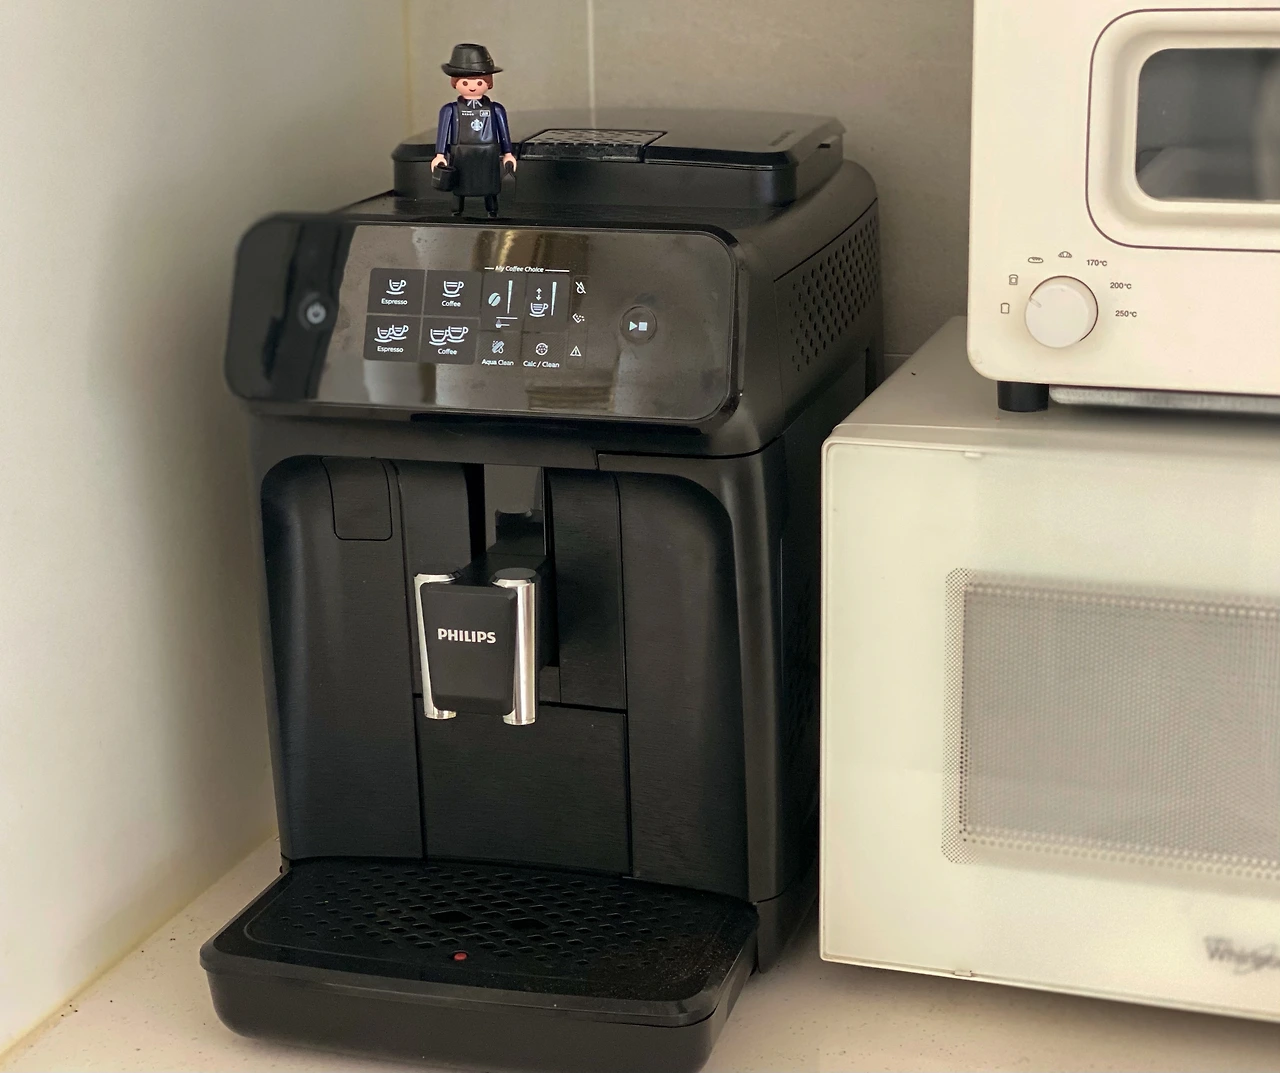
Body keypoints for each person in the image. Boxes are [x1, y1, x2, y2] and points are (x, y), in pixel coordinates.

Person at [431, 44, 517, 218]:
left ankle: (492, 210)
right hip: (461, 153)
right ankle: (457, 210)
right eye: (465, 82)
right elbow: (443, 132)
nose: (472, 86)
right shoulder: (450, 109)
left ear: (488, 82)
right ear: (455, 82)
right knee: (459, 184)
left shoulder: (495, 109)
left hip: (488, 153)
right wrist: (440, 154)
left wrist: (508, 153)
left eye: (479, 82)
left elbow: (503, 133)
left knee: (489, 184)